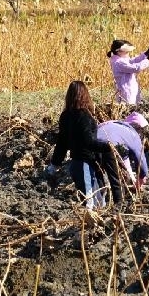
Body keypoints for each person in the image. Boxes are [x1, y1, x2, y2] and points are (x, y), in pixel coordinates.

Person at [47, 80, 122, 208]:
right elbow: (88, 142)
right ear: (85, 95)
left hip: (76, 165)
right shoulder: (84, 116)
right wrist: (109, 147)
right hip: (85, 165)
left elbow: (62, 143)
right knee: (90, 204)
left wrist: (54, 165)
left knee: (98, 203)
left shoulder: (65, 116)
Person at [97, 111, 149, 192]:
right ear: (139, 129)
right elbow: (140, 160)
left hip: (90, 147)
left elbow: (124, 159)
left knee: (97, 175)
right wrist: (140, 180)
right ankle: (119, 202)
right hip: (109, 148)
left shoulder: (111, 124)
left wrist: (133, 179)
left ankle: (99, 196)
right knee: (117, 180)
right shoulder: (133, 134)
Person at [108, 39, 149, 105]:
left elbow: (132, 61)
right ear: (119, 52)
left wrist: (145, 54)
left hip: (129, 90)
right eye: (126, 52)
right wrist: (147, 61)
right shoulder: (119, 62)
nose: (128, 53)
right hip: (126, 92)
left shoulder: (120, 59)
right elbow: (135, 68)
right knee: (129, 111)